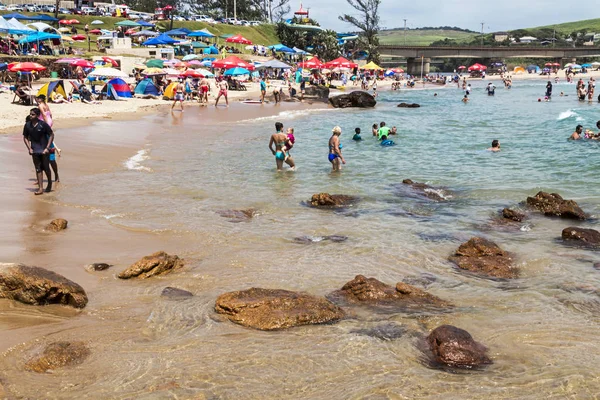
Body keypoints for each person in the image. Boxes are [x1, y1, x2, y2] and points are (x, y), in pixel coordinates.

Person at [23, 108, 54, 195]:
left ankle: (49, 183)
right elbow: (25, 137)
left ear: (37, 115)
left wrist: (47, 148)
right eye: (30, 114)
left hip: (44, 150)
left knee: (46, 168)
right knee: (38, 169)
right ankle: (40, 188)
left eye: (33, 114)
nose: (31, 116)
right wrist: (29, 148)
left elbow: (51, 134)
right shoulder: (27, 125)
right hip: (34, 150)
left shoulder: (43, 125)